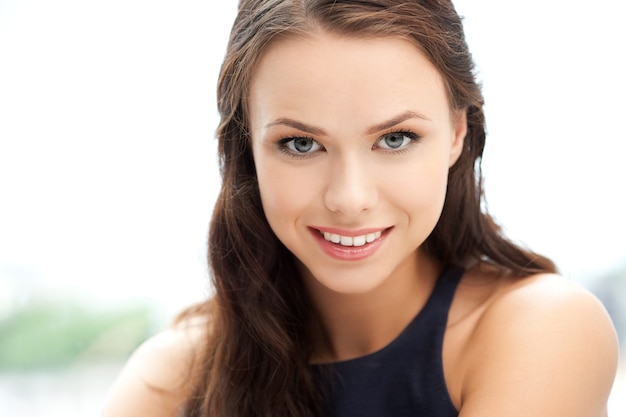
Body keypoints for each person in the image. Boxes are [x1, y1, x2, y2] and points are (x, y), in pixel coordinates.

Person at [101, 1, 619, 416]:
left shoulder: (540, 329)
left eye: (396, 138)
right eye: (302, 145)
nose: (349, 198)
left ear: (458, 133)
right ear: (247, 151)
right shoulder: (178, 374)